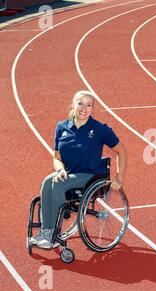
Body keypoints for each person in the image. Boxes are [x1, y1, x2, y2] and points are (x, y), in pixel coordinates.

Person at [30, 90, 127, 249]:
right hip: (69, 173)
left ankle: (53, 234)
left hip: (91, 175)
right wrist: (60, 169)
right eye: (80, 103)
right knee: (47, 182)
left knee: (58, 185)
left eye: (89, 105)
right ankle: (46, 231)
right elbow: (56, 157)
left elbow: (122, 151)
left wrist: (119, 178)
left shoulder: (99, 129)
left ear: (92, 108)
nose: (84, 108)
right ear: (73, 105)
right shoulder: (61, 127)